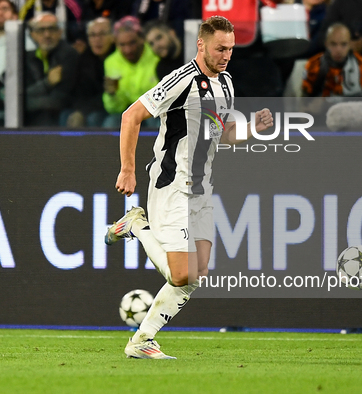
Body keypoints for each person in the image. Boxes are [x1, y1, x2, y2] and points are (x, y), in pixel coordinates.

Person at [104, 15, 274, 359]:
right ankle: (135, 224)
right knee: (182, 273)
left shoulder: (226, 83)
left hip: (201, 188)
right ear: (201, 45)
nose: (226, 55)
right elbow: (130, 116)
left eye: (230, 49)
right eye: (219, 48)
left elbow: (223, 135)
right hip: (172, 184)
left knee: (199, 272)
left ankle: (142, 340)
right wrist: (127, 168)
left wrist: (252, 128)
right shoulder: (180, 80)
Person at [102, 15, 159, 128]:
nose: (127, 50)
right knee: (110, 123)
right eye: (122, 45)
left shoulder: (156, 56)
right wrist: (111, 95)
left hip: (154, 112)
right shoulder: (111, 62)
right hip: (127, 111)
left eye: (132, 43)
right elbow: (114, 109)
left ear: (141, 39)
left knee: (156, 123)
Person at [24, 12, 79, 126]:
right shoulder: (27, 57)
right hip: (31, 117)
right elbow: (21, 94)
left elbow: (60, 100)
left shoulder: (69, 55)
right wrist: (47, 83)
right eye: (41, 30)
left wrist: (25, 101)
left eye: (52, 29)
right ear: (33, 34)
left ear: (60, 32)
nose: (47, 35)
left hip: (59, 116)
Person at [65, 16, 114, 127]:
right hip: (89, 107)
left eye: (102, 34)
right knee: (65, 115)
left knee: (94, 119)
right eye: (92, 35)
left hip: (111, 107)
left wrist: (83, 112)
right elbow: (78, 92)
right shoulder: (84, 59)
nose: (97, 39)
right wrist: (80, 111)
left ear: (112, 37)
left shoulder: (118, 58)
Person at [302, 23, 362, 97]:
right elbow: (305, 101)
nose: (338, 50)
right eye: (333, 44)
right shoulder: (313, 65)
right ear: (326, 44)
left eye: (343, 44)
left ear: (350, 44)